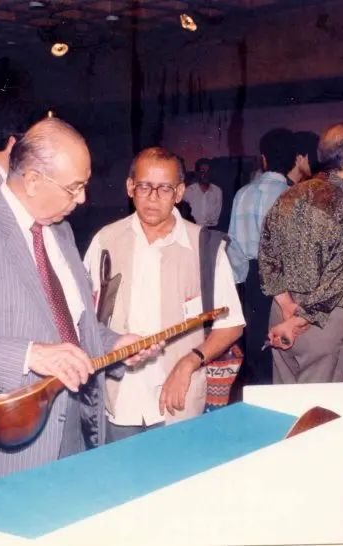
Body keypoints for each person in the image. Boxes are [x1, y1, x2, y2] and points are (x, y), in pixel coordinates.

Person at [0, 117, 159, 490]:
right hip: (0, 448)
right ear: (34, 180)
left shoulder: (60, 230)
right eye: (74, 188)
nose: (82, 199)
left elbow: (72, 326)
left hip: (72, 433)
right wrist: (28, 355)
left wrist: (114, 344)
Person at [83, 147, 244, 441]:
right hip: (119, 399)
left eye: (164, 188)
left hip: (178, 402)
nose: (153, 197)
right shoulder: (105, 242)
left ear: (179, 192)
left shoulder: (205, 248)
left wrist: (189, 362)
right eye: (144, 186)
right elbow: (83, 318)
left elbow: (231, 324)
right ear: (130, 187)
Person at [260, 122, 343, 384]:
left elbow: (267, 256)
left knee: (284, 399)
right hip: (321, 320)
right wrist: (299, 319)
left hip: (281, 312)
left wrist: (286, 306)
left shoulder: (289, 195)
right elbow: (338, 280)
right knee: (319, 404)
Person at [226, 128, 294, 385]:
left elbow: (234, 245)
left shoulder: (243, 193)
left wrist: (240, 280)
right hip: (287, 278)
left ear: (263, 159)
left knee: (258, 346)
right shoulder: (293, 195)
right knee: (285, 344)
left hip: (254, 277)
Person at [182, 158, 223, 226]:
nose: (206, 174)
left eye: (208, 171)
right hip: (194, 227)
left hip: (212, 228)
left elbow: (217, 216)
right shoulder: (189, 191)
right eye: (202, 171)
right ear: (197, 173)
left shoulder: (217, 191)